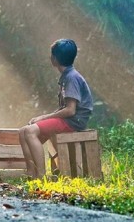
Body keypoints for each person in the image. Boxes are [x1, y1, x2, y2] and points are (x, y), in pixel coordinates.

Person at [19, 39, 93, 179]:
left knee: (29, 131)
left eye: (51, 55)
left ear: (55, 59)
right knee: (22, 131)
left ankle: (40, 176)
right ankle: (31, 173)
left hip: (73, 121)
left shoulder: (71, 78)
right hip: (68, 119)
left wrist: (43, 117)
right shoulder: (67, 76)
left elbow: (70, 110)